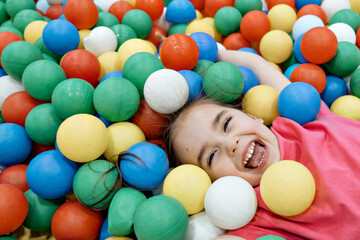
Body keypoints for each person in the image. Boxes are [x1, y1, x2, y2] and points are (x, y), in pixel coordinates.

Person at [163, 49, 360, 239]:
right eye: (212, 156)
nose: (230, 143)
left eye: (226, 123)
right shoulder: (257, 217)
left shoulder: (299, 119)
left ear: (252, 116)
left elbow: (257, 65)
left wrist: (219, 52)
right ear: (212, 183)